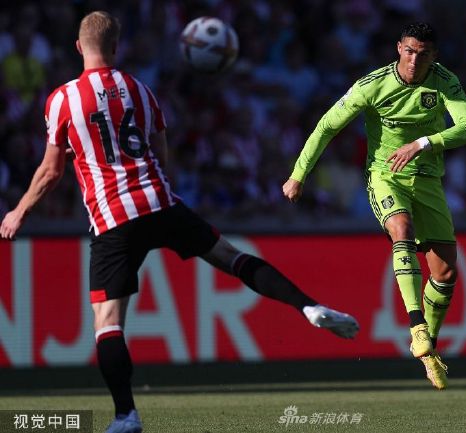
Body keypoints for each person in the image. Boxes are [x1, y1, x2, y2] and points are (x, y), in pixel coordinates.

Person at [0, 11, 358, 433]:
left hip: (112, 217)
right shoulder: (141, 90)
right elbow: (163, 157)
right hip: (159, 201)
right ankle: (308, 306)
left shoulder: (61, 100)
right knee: (230, 256)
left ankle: (126, 416)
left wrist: (19, 210)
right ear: (116, 48)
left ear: (79, 48)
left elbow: (50, 170)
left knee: (108, 320)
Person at [283, 22, 466, 390]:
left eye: (422, 53)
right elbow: (326, 126)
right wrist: (298, 175)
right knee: (401, 229)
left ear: (434, 56)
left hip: (427, 181)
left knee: (446, 274)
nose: (414, 60)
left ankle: (428, 348)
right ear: (398, 48)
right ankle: (417, 325)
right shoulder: (372, 85)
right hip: (385, 176)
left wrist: (422, 143)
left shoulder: (444, 81)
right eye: (408, 50)